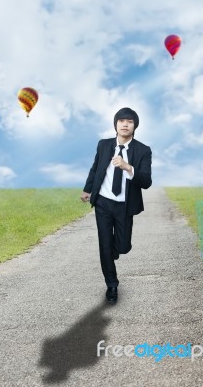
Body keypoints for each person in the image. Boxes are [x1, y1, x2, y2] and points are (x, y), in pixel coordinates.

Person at [80, 107, 152, 303]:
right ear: (116, 124)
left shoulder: (143, 150)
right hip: (103, 202)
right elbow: (95, 168)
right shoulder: (103, 145)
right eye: (121, 121)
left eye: (129, 121)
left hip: (124, 205)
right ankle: (112, 285)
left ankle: (114, 249)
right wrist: (87, 189)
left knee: (122, 246)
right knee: (104, 245)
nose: (125, 124)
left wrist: (127, 166)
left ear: (135, 126)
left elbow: (146, 181)